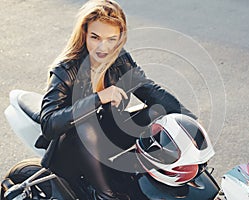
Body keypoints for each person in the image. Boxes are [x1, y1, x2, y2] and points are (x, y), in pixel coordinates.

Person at [39, 0, 196, 199]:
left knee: (157, 111)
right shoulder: (66, 70)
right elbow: (48, 123)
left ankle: (152, 175)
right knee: (85, 125)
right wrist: (98, 98)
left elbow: (149, 89)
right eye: (95, 37)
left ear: (119, 39)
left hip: (106, 137)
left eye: (111, 39)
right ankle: (105, 194)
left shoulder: (120, 60)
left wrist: (189, 122)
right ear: (84, 34)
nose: (103, 47)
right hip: (71, 148)